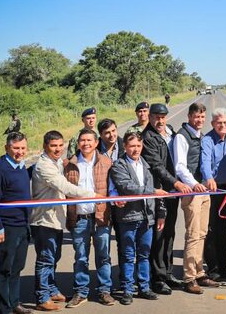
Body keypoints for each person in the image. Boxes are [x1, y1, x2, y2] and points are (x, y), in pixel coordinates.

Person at [30, 131, 98, 311]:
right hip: (44, 220)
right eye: (53, 146)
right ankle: (42, 296)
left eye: (61, 145)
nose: (58, 149)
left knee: (54, 257)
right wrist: (93, 195)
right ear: (45, 146)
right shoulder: (44, 166)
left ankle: (51, 290)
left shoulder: (58, 161)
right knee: (45, 259)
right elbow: (65, 186)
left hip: (56, 219)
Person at [110, 131, 168, 305]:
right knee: (128, 255)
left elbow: (158, 190)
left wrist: (160, 213)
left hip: (147, 218)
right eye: (132, 146)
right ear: (125, 147)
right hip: (128, 218)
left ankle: (144, 287)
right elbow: (128, 187)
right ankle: (127, 289)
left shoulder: (147, 165)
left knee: (144, 254)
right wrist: (152, 192)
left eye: (138, 145)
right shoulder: (118, 165)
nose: (136, 149)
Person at [141, 103, 190, 295]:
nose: (160, 121)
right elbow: (157, 166)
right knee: (159, 235)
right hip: (160, 190)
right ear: (150, 117)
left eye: (163, 117)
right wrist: (176, 183)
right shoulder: (148, 137)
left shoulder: (169, 131)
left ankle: (168, 272)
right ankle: (158, 278)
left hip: (173, 191)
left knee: (170, 233)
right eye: (156, 117)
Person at [62, 129, 115, 308]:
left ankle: (104, 291)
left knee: (103, 256)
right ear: (78, 143)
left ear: (96, 143)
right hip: (79, 218)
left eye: (89, 140)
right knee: (81, 256)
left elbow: (113, 189)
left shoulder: (107, 162)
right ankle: (81, 292)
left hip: (101, 217)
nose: (86, 143)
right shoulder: (69, 165)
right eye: (82, 140)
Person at [174, 102, 221, 294]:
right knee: (193, 235)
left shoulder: (201, 136)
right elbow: (180, 166)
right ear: (189, 117)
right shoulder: (181, 136)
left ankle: (200, 272)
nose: (199, 120)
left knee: (202, 233)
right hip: (192, 192)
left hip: (204, 192)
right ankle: (189, 277)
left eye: (202, 117)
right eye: (196, 116)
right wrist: (194, 184)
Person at [0, 132, 31, 314]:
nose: (20, 152)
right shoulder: (0, 169)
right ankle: (4, 307)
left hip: (22, 225)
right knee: (4, 268)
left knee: (17, 267)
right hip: (7, 227)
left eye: (23, 148)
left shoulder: (20, 166)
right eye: (16, 148)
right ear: (6, 148)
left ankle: (14, 302)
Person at [201, 108, 226, 281]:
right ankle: (213, 268)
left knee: (224, 230)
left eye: (225, 122)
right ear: (213, 124)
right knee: (211, 230)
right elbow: (205, 162)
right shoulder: (207, 139)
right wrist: (208, 178)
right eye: (218, 122)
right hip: (211, 190)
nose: (222, 125)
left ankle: (224, 268)